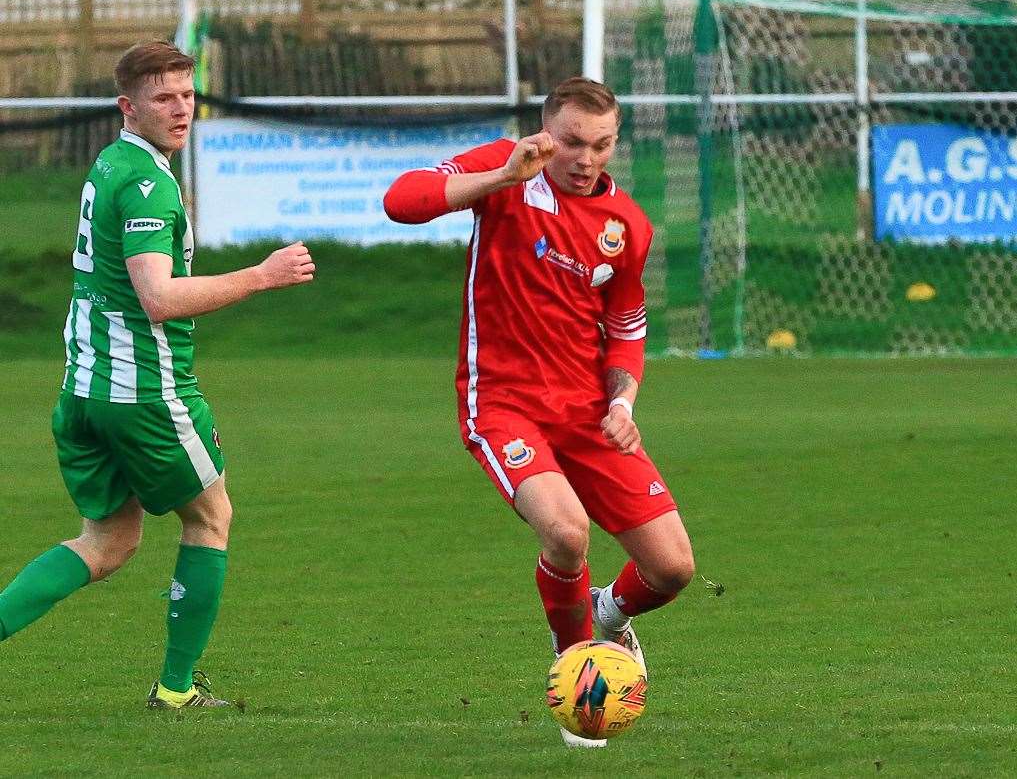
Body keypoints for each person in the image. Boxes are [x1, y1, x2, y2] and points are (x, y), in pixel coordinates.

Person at [0, 41, 315, 708]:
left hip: (84, 389)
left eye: (187, 94)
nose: (180, 109)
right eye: (163, 97)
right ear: (128, 106)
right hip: (141, 390)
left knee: (108, 542)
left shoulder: (112, 162)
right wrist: (262, 276)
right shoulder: (147, 182)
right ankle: (175, 691)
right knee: (210, 518)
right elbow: (159, 297)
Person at [383, 77, 695, 748]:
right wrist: (499, 176)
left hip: (587, 411)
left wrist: (623, 400)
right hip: (501, 401)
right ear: (546, 132)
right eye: (572, 142)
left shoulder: (627, 226)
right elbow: (400, 202)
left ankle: (608, 614)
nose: (585, 158)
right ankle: (576, 670)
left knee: (672, 570)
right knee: (566, 531)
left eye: (601, 144)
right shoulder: (506, 167)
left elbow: (627, 320)